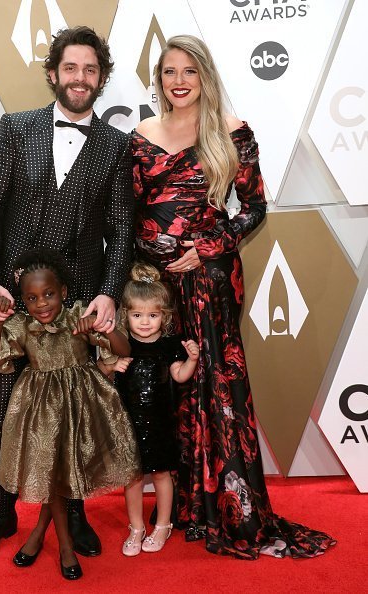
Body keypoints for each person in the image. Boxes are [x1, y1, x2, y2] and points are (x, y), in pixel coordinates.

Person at [132, 35, 336, 559]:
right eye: (169, 72)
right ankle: (182, 506)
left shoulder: (232, 132)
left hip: (211, 279)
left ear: (205, 77)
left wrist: (204, 247)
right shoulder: (140, 135)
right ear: (159, 80)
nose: (178, 81)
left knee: (216, 384)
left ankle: (229, 503)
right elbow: (129, 212)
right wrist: (146, 257)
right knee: (168, 388)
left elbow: (253, 208)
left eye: (189, 72)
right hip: (156, 288)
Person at [0, 26, 134, 563]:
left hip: (78, 302)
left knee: (73, 412)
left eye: (90, 69)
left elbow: (123, 229)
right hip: (12, 301)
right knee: (2, 408)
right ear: (54, 72)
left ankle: (74, 512)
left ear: (100, 78)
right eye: (71, 67)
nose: (79, 78)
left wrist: (107, 293)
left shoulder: (116, 144)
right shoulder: (17, 128)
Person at [0, 248, 140, 580]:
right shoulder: (23, 326)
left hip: (81, 405)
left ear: (64, 292)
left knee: (59, 475)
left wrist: (102, 326)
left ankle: (40, 532)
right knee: (51, 474)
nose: (41, 303)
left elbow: (124, 349)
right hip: (41, 409)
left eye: (49, 294)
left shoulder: (77, 317)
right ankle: (66, 547)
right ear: (23, 302)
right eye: (32, 298)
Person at [101, 262, 198, 556]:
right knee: (132, 478)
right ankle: (136, 528)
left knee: (161, 475)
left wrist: (192, 359)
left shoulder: (169, 346)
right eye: (137, 315)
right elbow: (97, 372)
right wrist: (111, 365)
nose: (145, 322)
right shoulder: (122, 345)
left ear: (164, 316)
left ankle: (163, 524)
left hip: (160, 424)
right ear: (125, 315)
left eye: (153, 315)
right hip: (128, 425)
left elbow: (180, 375)